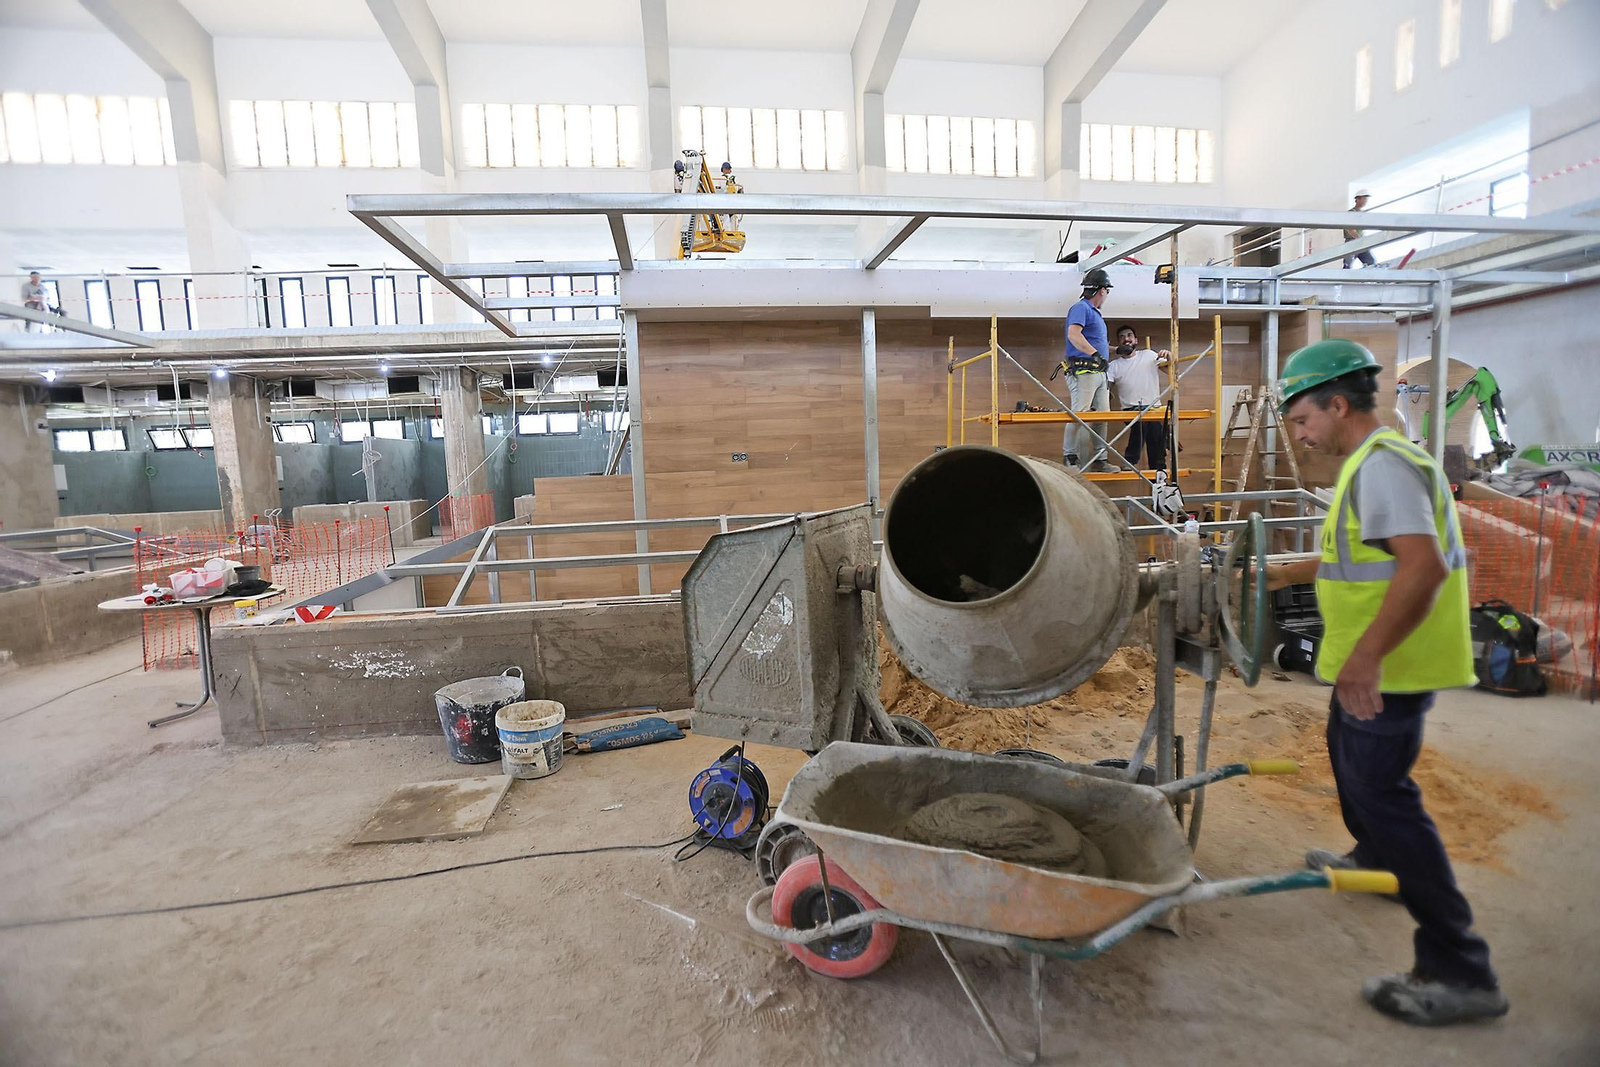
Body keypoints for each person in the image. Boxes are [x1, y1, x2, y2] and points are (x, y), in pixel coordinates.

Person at [1268, 339, 1508, 1027]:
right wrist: (1291, 571)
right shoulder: (1368, 467)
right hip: (1370, 662)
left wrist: (1368, 658)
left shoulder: (1383, 467)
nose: (1300, 431)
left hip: (1392, 665)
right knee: (1350, 761)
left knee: (1385, 792)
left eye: (1302, 417)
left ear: (1336, 404)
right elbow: (1364, 553)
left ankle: (1462, 968)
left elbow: (1422, 566)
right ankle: (1374, 852)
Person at [1061, 267, 1113, 469]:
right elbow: (1074, 335)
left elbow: (1094, 344)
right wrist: (1095, 354)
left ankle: (1100, 459)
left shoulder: (1094, 313)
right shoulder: (1081, 308)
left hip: (1099, 372)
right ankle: (1070, 456)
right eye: (1107, 291)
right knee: (1079, 414)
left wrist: (1117, 350)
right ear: (1102, 290)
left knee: (1103, 416)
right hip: (1084, 372)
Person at [1106, 325, 1171, 471]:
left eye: (1129, 335)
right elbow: (1106, 389)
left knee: (1155, 433)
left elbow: (1170, 371)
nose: (1126, 339)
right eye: (1122, 337)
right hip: (1131, 410)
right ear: (1118, 343)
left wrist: (1169, 356)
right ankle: (1132, 460)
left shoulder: (1148, 355)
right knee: (1143, 422)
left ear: (1136, 339)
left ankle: (1157, 472)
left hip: (1153, 408)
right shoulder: (1113, 366)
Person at [1343, 189, 1377, 269]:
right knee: (1348, 264)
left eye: (1366, 199)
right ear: (1358, 199)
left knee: (1370, 262)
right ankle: (1344, 279)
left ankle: (1365, 278)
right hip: (1352, 240)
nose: (1366, 201)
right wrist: (1360, 239)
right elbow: (1349, 229)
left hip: (1360, 241)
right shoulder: (1352, 212)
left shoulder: (1362, 213)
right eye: (1364, 198)